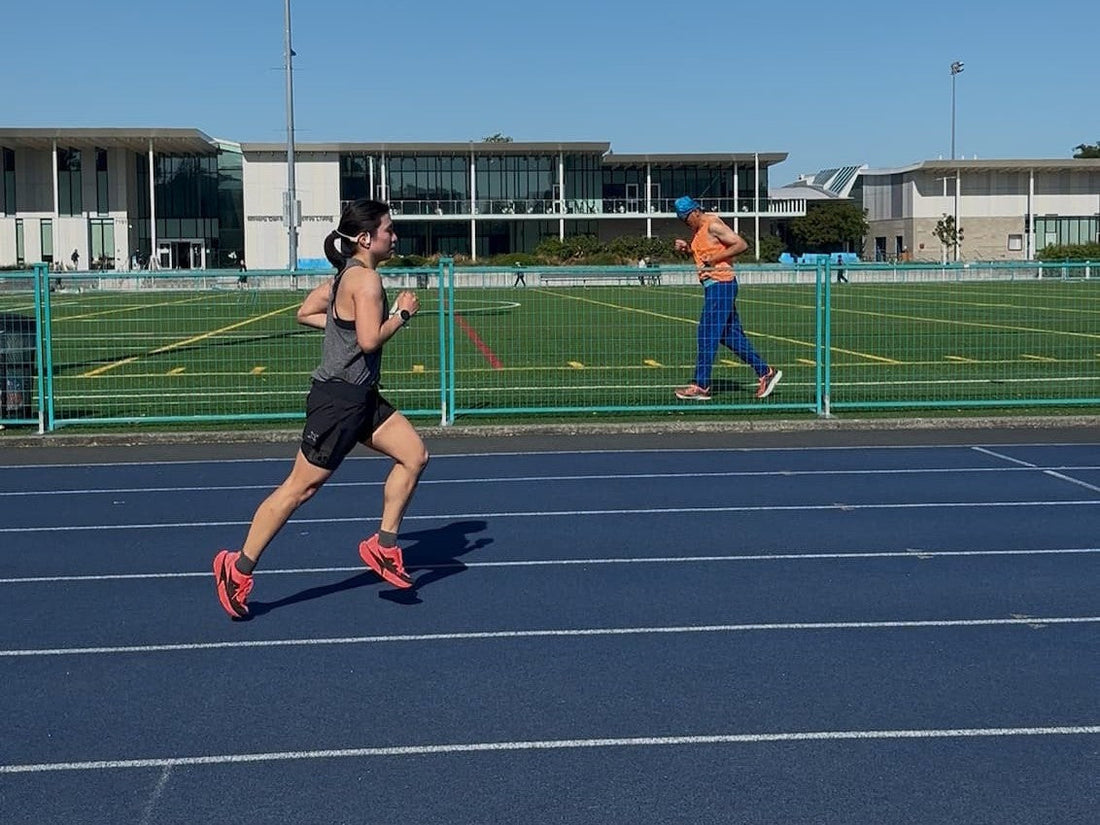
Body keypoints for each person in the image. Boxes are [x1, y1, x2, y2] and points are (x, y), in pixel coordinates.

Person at [213, 198, 429, 619]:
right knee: (300, 489)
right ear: (365, 238)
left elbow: (306, 313)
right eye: (388, 229)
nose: (394, 236)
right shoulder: (366, 282)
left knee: (414, 455)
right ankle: (236, 569)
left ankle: (384, 546)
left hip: (362, 396)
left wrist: (341, 327)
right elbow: (369, 341)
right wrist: (402, 314)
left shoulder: (343, 277)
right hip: (338, 401)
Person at [671, 195, 781, 401]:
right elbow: (704, 255)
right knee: (729, 335)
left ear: (695, 212)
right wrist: (687, 249)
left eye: (685, 218)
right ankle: (765, 372)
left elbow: (741, 244)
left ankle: (700, 385)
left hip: (721, 284)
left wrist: (713, 259)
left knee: (706, 334)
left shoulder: (713, 225)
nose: (685, 223)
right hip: (715, 286)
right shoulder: (698, 231)